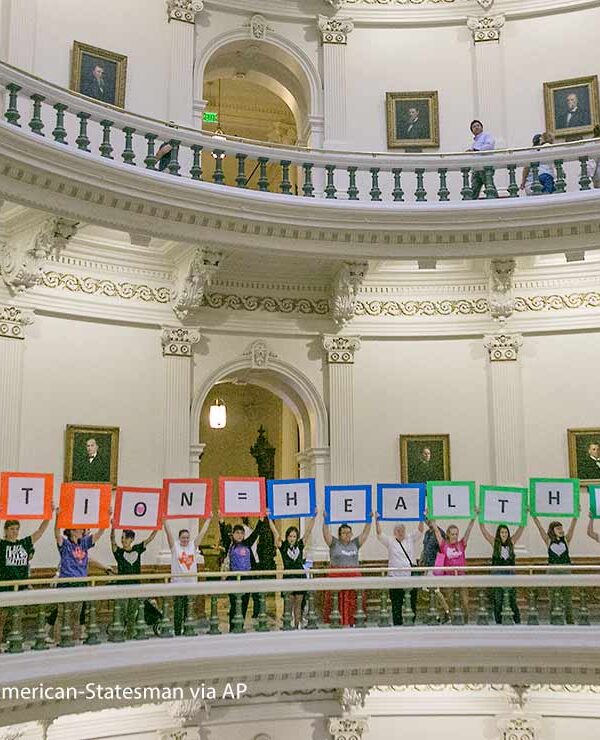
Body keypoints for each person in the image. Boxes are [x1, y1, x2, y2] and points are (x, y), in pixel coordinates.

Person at [47, 509, 111, 641]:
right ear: (71, 530)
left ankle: (75, 641)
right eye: (79, 528)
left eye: (82, 529)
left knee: (77, 616)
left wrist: (106, 516)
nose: (82, 531)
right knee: (61, 615)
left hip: (80, 583)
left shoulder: (84, 543)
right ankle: (58, 641)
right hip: (66, 583)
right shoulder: (65, 544)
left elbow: (98, 534)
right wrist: (58, 517)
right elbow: (57, 533)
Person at [0, 515, 53, 646]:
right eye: (12, 529)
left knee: (17, 617)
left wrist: (48, 515)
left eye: (17, 529)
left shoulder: (23, 544)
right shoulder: (1, 545)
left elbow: (40, 531)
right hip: (5, 586)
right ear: (6, 530)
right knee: (2, 618)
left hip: (21, 587)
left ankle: (15, 641)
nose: (15, 532)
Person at [267, 511, 317, 628]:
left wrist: (313, 517)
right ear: (287, 536)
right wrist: (269, 518)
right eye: (290, 536)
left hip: (300, 577)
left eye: (294, 536)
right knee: (288, 604)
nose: (292, 538)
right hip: (288, 577)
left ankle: (297, 625)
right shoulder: (283, 546)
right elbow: (275, 532)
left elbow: (308, 531)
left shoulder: (300, 545)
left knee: (298, 604)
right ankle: (287, 625)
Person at [164, 516, 212, 636]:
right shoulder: (175, 547)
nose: (185, 539)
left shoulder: (192, 546)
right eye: (183, 537)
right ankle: (177, 631)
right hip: (177, 584)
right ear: (179, 538)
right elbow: (168, 533)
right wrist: (165, 521)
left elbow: (202, 533)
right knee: (178, 609)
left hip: (191, 584)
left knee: (189, 610)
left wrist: (208, 520)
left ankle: (188, 630)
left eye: (187, 537)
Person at [322, 514, 372, 626]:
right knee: (337, 604)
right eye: (344, 533)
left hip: (353, 581)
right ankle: (337, 623)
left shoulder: (355, 543)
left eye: (349, 532)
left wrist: (369, 520)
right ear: (339, 535)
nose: (347, 535)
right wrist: (325, 520)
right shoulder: (334, 543)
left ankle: (353, 623)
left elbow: (365, 534)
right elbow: (325, 533)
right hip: (338, 581)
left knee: (354, 603)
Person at [375, 514, 424, 625]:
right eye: (398, 530)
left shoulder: (410, 538)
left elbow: (420, 531)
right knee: (396, 604)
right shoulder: (390, 541)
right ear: (394, 532)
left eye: (402, 530)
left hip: (410, 577)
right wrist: (377, 520)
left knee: (412, 603)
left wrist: (421, 517)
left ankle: (411, 623)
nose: (401, 532)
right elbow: (379, 534)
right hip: (395, 578)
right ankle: (398, 624)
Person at [110, 526, 158, 638]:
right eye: (122, 538)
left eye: (125, 538)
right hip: (122, 588)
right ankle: (118, 635)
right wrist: (113, 527)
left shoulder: (137, 549)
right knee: (121, 612)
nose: (123, 540)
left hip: (135, 587)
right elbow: (112, 540)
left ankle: (130, 635)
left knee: (132, 614)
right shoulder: (119, 552)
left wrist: (157, 527)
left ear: (131, 539)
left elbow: (150, 539)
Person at [219, 512, 263, 631]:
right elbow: (223, 532)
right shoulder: (230, 545)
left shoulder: (247, 544)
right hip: (233, 579)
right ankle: (232, 627)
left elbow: (256, 532)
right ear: (233, 534)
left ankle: (240, 626)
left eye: (241, 533)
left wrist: (261, 519)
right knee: (234, 604)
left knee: (244, 604)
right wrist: (221, 520)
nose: (239, 535)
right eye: (237, 533)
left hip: (247, 579)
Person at [532, 515, 577, 624]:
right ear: (552, 530)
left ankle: (570, 620)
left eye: (561, 528)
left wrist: (575, 516)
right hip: (552, 570)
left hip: (565, 569)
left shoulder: (566, 539)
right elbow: (540, 528)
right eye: (558, 529)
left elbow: (572, 528)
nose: (561, 530)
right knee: (553, 597)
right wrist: (534, 516)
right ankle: (554, 620)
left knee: (567, 597)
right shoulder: (548, 540)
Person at [431, 515, 476, 619]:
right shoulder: (444, 545)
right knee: (449, 600)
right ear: (448, 534)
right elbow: (437, 532)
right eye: (452, 534)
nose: (455, 536)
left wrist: (473, 519)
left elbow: (468, 531)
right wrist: (432, 519)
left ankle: (466, 621)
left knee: (465, 602)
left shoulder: (461, 544)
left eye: (456, 534)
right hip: (449, 578)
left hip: (461, 577)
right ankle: (450, 619)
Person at [479, 521, 524, 623]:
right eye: (502, 532)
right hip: (497, 574)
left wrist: (524, 518)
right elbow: (484, 531)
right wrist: (480, 520)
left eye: (506, 532)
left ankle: (517, 621)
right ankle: (498, 622)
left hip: (510, 574)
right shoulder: (495, 543)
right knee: (498, 599)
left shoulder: (511, 542)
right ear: (499, 533)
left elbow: (520, 529)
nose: (504, 534)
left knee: (512, 599)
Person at [419, 519, 450, 621]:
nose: (427, 522)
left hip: (436, 566)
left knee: (435, 590)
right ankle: (435, 613)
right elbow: (425, 548)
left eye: (429, 519)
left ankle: (447, 612)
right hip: (427, 566)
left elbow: (444, 547)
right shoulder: (427, 533)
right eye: (426, 520)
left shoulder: (440, 532)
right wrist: (421, 559)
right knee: (428, 590)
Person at [467, 119, 495, 199]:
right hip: (476, 168)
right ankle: (471, 204)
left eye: (478, 125)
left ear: (482, 127)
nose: (476, 127)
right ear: (472, 131)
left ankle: (495, 201)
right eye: (474, 127)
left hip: (485, 166)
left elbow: (490, 146)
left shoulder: (486, 135)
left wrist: (476, 150)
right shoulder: (474, 143)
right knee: (474, 188)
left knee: (489, 186)